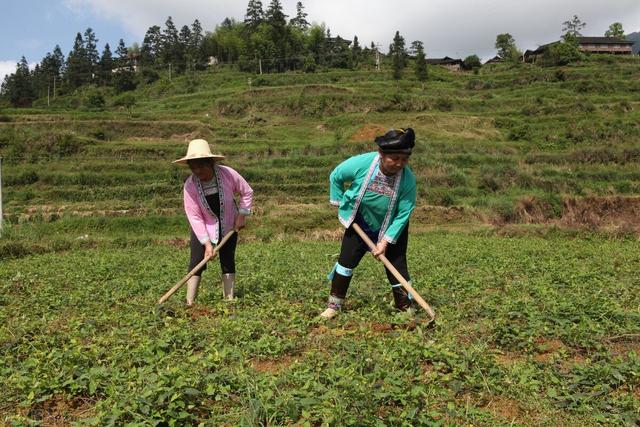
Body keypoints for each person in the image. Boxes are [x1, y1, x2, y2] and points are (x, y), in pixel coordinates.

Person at [321, 128, 417, 319]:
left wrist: (385, 242)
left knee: (397, 266)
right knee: (346, 261)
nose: (399, 164)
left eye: (404, 159)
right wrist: (339, 202)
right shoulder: (363, 163)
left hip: (391, 227)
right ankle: (334, 306)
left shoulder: (408, 180)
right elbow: (336, 176)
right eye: (394, 158)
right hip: (360, 222)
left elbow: (404, 212)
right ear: (381, 154)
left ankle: (405, 309)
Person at [173, 139, 253, 305]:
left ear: (210, 163)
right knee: (196, 261)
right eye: (193, 167)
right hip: (203, 228)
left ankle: (229, 299)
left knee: (227, 259)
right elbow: (194, 216)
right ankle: (189, 303)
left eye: (201, 166)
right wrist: (207, 244)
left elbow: (246, 192)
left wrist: (242, 215)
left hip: (229, 224)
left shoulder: (228, 174)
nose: (197, 170)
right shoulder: (190, 186)